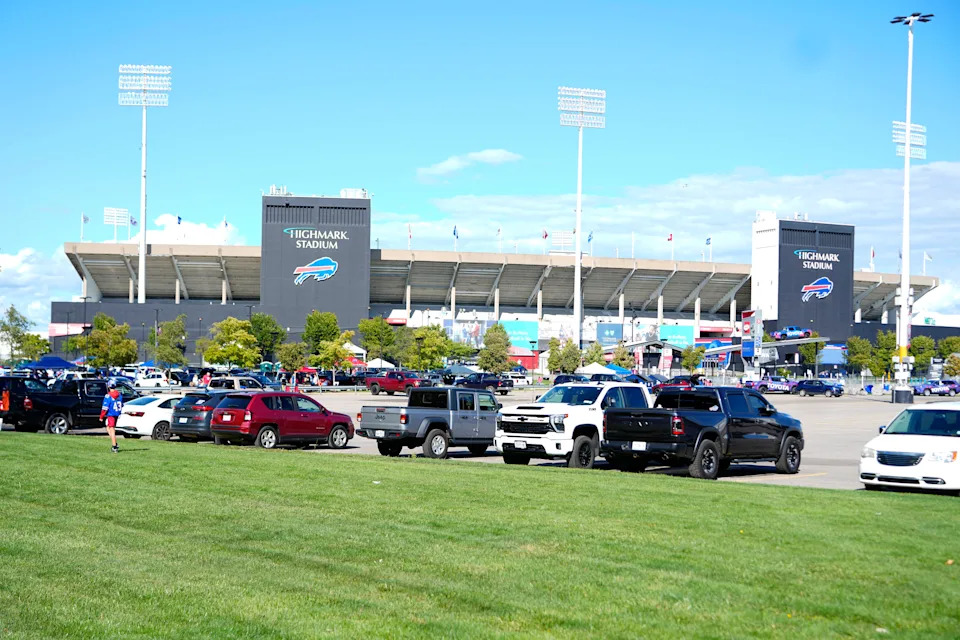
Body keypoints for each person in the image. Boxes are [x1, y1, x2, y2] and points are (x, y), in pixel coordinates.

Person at [99, 381, 124, 453]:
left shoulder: (108, 396)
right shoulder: (119, 395)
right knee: (108, 427)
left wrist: (101, 416)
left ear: (109, 387)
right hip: (117, 413)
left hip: (111, 414)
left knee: (111, 429)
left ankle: (114, 446)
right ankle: (115, 442)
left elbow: (105, 408)